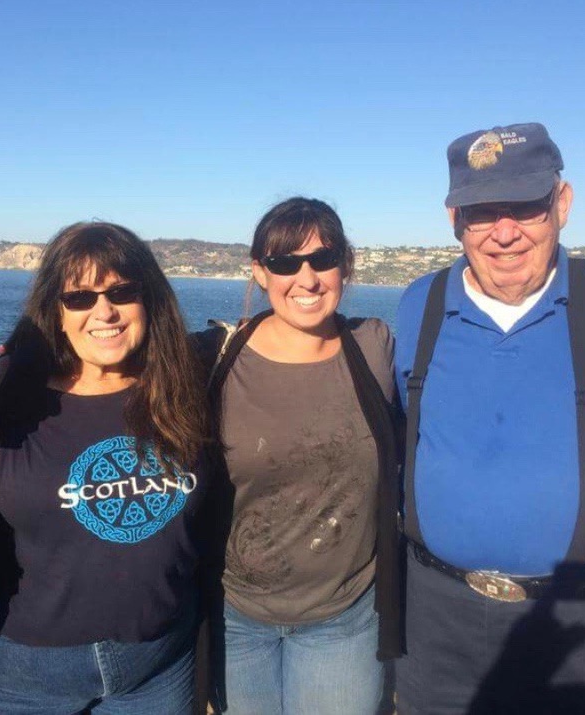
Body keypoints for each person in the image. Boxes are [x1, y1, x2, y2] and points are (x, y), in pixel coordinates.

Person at [393, 123, 585, 714]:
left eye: (526, 207)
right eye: (482, 212)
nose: (504, 233)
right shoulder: (417, 305)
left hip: (577, 618)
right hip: (434, 619)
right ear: (454, 220)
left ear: (562, 204)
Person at [0, 222, 209, 714]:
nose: (104, 311)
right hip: (22, 673)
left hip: (157, 667)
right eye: (80, 298)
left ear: (149, 299)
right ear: (56, 310)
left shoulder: (186, 386)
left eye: (122, 292)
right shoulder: (3, 391)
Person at [196, 197, 402, 714]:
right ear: (260, 273)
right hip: (234, 614)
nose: (306, 278)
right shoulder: (215, 358)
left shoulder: (375, 348)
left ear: (345, 265)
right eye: (285, 263)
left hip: (345, 616)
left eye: (322, 259)